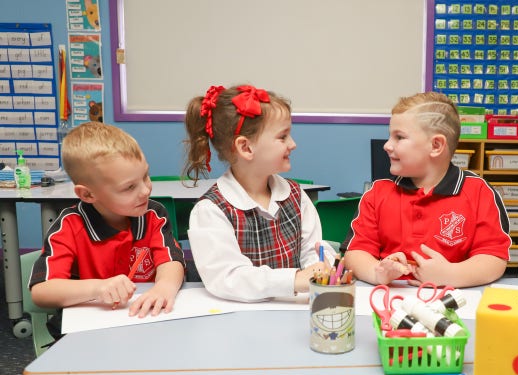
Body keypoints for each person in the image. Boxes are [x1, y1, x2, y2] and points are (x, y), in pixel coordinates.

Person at [343, 92, 512, 287]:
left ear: (436, 145)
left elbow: (493, 259)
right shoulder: (377, 193)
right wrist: (377, 272)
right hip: (390, 299)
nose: (387, 145)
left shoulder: (479, 192)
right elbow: (356, 253)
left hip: (453, 299)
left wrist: (450, 275)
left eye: (399, 137)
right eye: (390, 136)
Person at [29, 122, 186, 330]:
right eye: (129, 187)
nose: (145, 190)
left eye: (145, 176)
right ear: (88, 194)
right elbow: (42, 291)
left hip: (145, 321)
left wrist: (164, 287)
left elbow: (171, 262)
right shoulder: (69, 226)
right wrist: (98, 287)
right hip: (91, 329)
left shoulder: (152, 214)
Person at [184, 84, 330, 301]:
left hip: (293, 314)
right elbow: (228, 278)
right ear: (246, 148)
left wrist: (322, 267)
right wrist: (295, 279)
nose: (293, 144)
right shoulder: (210, 210)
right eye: (283, 137)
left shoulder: (296, 196)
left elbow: (312, 251)